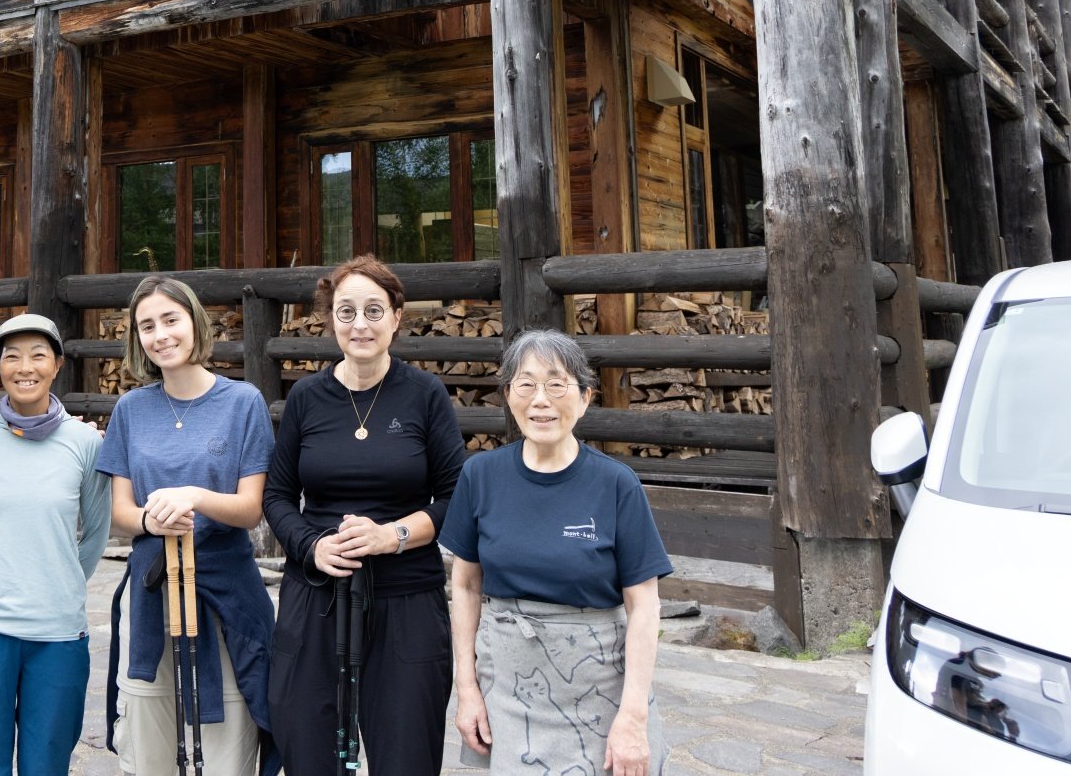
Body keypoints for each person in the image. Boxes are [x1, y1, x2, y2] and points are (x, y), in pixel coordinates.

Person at [263, 255, 467, 776]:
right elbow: (278, 497)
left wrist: (392, 536)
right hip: (316, 597)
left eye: (374, 311)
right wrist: (312, 546)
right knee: (308, 750)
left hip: (405, 602)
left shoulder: (425, 395)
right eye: (346, 311)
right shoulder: (307, 398)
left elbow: (454, 498)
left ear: (397, 317)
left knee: (406, 755)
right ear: (330, 318)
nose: (360, 324)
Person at [447, 329, 672, 776]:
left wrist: (632, 716)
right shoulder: (480, 476)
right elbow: (466, 586)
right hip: (510, 681)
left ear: (585, 397)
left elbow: (644, 605)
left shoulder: (615, 484)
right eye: (525, 384)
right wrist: (467, 688)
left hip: (598, 683)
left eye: (556, 384)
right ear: (509, 396)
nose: (540, 400)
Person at [99, 276, 278, 776]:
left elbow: (250, 509)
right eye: (147, 326)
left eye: (170, 320)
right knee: (149, 744)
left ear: (194, 323)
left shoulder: (243, 403)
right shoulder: (131, 409)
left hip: (226, 592)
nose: (161, 335)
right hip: (154, 589)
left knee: (227, 750)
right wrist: (152, 521)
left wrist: (195, 497)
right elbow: (119, 513)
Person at [0, 312, 111, 776]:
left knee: (47, 764)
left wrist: (58, 581)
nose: (25, 367)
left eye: (39, 355)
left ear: (57, 364)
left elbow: (96, 531)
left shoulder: (84, 442)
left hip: (57, 634)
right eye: (12, 356)